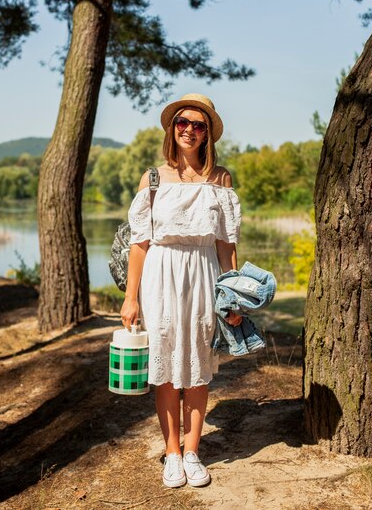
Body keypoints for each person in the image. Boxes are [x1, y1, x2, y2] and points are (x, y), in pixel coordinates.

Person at [120, 93, 242, 488]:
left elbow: (226, 243)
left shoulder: (220, 178)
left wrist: (234, 293)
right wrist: (130, 296)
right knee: (168, 369)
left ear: (208, 133)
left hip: (204, 272)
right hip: (161, 274)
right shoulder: (153, 178)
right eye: (182, 123)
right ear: (172, 129)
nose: (189, 129)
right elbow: (139, 244)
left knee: (200, 367)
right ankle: (171, 453)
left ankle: (193, 451)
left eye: (198, 124)